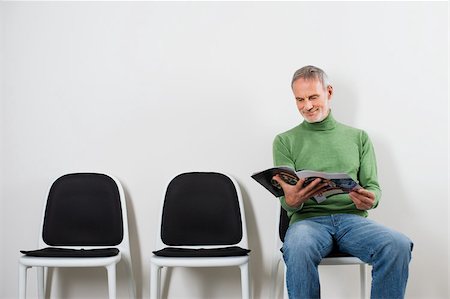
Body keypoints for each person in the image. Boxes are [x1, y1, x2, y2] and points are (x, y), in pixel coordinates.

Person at [272, 65, 413, 299]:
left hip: (352, 222)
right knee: (297, 246)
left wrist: (370, 199)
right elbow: (287, 200)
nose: (307, 106)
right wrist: (291, 200)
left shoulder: (358, 138)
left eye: (313, 97)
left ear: (329, 92)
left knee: (397, 245)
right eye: (299, 99)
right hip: (308, 222)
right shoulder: (284, 141)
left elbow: (373, 188)